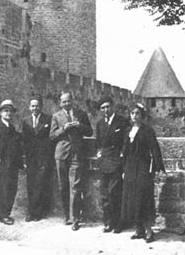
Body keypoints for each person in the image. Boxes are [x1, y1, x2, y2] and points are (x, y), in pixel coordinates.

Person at [121, 103, 166, 243]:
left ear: (142, 115)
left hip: (143, 168)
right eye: (132, 113)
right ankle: (139, 229)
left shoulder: (147, 130)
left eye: (137, 113)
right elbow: (125, 152)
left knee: (143, 198)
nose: (134, 116)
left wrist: (158, 168)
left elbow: (155, 150)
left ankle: (149, 231)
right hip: (129, 168)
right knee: (132, 199)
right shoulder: (128, 130)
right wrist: (123, 169)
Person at [50, 91, 93, 231]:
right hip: (61, 155)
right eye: (64, 102)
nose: (67, 104)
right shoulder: (56, 116)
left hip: (76, 154)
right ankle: (66, 216)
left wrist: (79, 126)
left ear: (72, 101)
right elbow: (52, 136)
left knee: (75, 186)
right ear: (60, 103)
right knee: (63, 186)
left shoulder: (81, 114)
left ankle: (75, 219)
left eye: (69, 101)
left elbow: (89, 132)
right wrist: (64, 128)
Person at [0, 99, 24, 225]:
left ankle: (7, 212)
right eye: (6, 111)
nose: (8, 113)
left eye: (10, 111)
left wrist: (20, 161)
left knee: (12, 188)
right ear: (1, 113)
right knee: (3, 188)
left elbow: (17, 146)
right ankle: (2, 214)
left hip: (13, 163)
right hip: (2, 163)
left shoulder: (12, 128)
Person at [96, 95, 130, 233]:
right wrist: (98, 152)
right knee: (104, 194)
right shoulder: (99, 123)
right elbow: (98, 142)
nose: (105, 110)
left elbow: (126, 142)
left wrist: (122, 155)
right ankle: (108, 222)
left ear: (112, 106)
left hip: (116, 161)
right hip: (104, 162)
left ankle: (118, 223)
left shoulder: (122, 121)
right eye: (102, 108)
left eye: (107, 106)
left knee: (114, 193)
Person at [21, 94, 54, 222]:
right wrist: (25, 157)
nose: (35, 108)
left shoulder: (48, 119)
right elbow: (24, 140)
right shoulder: (25, 121)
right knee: (31, 184)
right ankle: (31, 211)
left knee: (41, 184)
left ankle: (38, 212)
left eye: (37, 106)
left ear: (41, 107)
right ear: (29, 107)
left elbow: (51, 139)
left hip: (44, 157)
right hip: (31, 157)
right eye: (33, 106)